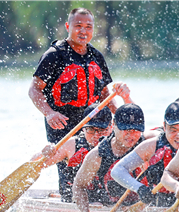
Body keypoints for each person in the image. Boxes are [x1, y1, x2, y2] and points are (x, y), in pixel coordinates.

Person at [28, 8, 117, 198]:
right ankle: (69, 200)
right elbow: (34, 89)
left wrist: (119, 116)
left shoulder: (97, 56)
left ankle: (98, 199)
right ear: (68, 27)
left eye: (88, 27)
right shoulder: (54, 55)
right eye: (78, 26)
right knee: (68, 168)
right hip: (61, 121)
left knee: (99, 163)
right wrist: (49, 113)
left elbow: (104, 94)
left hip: (93, 123)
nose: (83, 31)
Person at [73, 101, 145, 212]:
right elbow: (78, 186)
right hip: (108, 203)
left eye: (136, 131)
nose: (131, 136)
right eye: (126, 130)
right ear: (114, 126)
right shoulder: (96, 155)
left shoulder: (148, 147)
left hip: (141, 204)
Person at [111, 101, 179, 207]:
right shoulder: (152, 146)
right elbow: (117, 171)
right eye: (173, 130)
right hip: (160, 204)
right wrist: (139, 188)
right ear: (164, 126)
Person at [30, 103, 113, 202]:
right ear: (83, 127)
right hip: (76, 202)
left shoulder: (120, 144)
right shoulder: (71, 145)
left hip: (109, 202)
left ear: (111, 126)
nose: (96, 135)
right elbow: (33, 165)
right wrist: (45, 153)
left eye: (102, 130)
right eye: (90, 129)